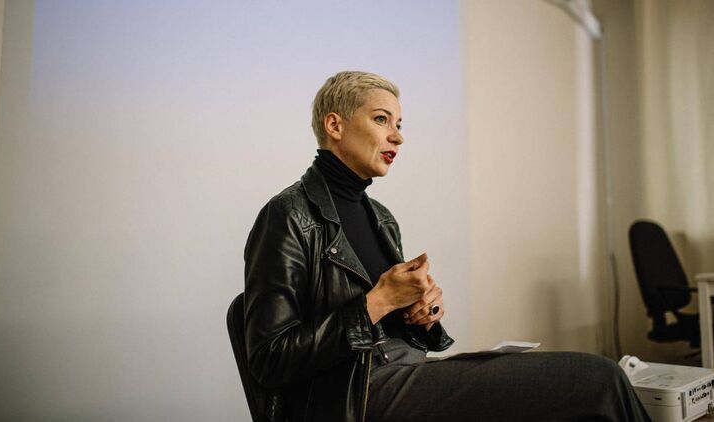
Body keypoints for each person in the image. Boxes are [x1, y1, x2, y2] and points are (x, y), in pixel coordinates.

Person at [243, 71, 650, 421]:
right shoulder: (287, 215)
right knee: (597, 378)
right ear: (335, 126)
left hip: (406, 369)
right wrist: (378, 302)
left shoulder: (381, 217)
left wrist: (423, 315)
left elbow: (393, 327)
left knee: (578, 394)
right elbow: (269, 359)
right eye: (381, 119)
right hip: (352, 396)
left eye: (399, 123)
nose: (398, 136)